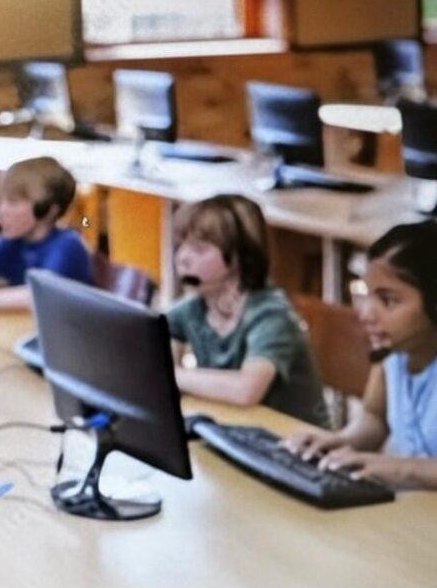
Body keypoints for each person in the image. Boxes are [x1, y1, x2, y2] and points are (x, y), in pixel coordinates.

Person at [284, 221, 437, 489]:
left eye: (388, 300)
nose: (366, 314)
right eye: (366, 296)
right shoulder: (393, 351)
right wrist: (342, 441)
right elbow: (373, 418)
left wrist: (400, 468)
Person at [167, 194, 326, 425]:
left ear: (240, 258)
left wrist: (174, 375)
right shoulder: (195, 307)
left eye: (199, 250)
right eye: (180, 246)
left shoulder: (271, 315)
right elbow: (146, 343)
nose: (182, 258)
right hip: (235, 427)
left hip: (293, 444)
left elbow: (246, 390)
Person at [0, 156, 93, 310]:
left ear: (45, 209)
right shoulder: (13, 242)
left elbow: (37, 295)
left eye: (12, 202)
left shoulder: (68, 245)